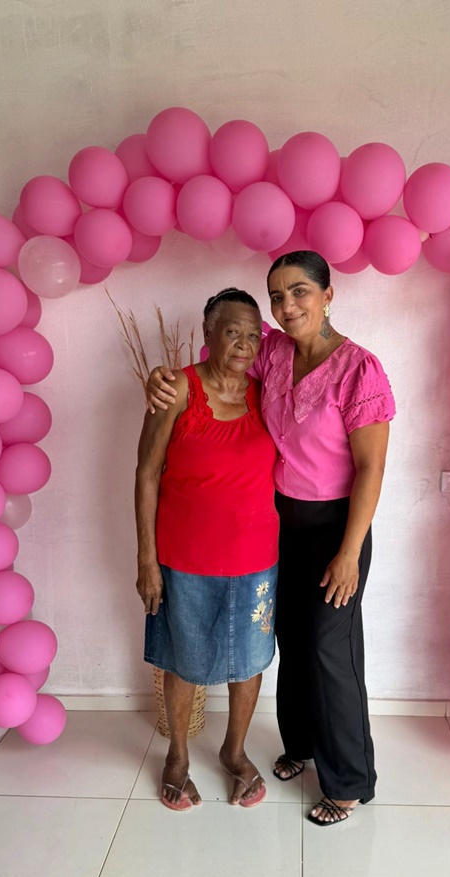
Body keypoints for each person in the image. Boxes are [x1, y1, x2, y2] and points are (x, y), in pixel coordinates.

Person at [147, 251, 394, 826]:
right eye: (277, 296)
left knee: (330, 649)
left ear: (328, 295)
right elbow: (218, 361)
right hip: (279, 520)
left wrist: (350, 553)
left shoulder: (359, 370)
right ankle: (299, 745)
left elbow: (372, 468)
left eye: (300, 291)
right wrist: (164, 377)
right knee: (289, 640)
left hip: (336, 526)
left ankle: (349, 782)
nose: (287, 306)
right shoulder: (273, 352)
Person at [135, 288, 279, 811]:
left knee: (251, 661)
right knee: (183, 661)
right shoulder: (177, 388)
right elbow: (147, 473)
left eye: (253, 335)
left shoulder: (268, 394)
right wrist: (146, 560)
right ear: (208, 334)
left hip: (257, 559)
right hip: (185, 560)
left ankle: (234, 752)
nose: (244, 344)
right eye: (232, 332)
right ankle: (176, 756)